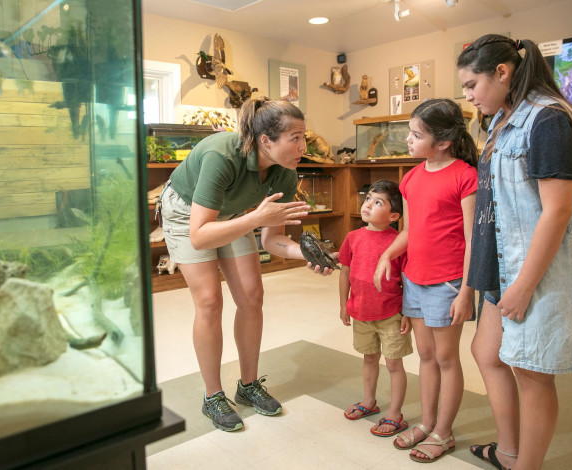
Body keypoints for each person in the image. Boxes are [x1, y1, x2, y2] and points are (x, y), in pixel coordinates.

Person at [457, 34, 572, 470]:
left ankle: (525, 465)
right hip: (500, 265)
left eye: (471, 85)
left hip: (534, 271)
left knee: (533, 376)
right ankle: (509, 450)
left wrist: (522, 286)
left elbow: (556, 212)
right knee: (487, 354)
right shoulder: (505, 118)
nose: (467, 96)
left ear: (502, 72)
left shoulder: (549, 119)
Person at [160, 96, 335, 432]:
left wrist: (307, 254)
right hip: (187, 215)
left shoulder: (285, 174)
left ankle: (248, 385)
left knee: (252, 296)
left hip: (236, 215)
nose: (303, 146)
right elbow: (199, 235)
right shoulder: (222, 155)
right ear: (265, 141)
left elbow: (273, 240)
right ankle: (213, 396)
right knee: (210, 300)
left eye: (304, 137)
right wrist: (256, 216)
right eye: (295, 138)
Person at [373, 98, 479, 463]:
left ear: (444, 141)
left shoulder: (465, 176)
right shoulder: (412, 178)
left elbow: (473, 240)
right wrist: (388, 254)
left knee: (447, 359)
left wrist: (467, 291)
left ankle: (444, 433)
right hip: (414, 281)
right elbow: (412, 232)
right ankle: (429, 423)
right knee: (427, 357)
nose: (408, 140)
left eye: (416, 135)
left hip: (448, 283)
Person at [338, 180, 413, 437]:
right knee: (369, 358)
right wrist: (343, 304)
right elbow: (345, 272)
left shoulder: (399, 242)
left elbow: (407, 280)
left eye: (377, 202)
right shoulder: (352, 237)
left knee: (394, 364)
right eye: (368, 198)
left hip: (391, 314)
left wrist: (409, 314)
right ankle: (369, 402)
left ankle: (395, 414)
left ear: (394, 215)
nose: (368, 204)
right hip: (360, 312)